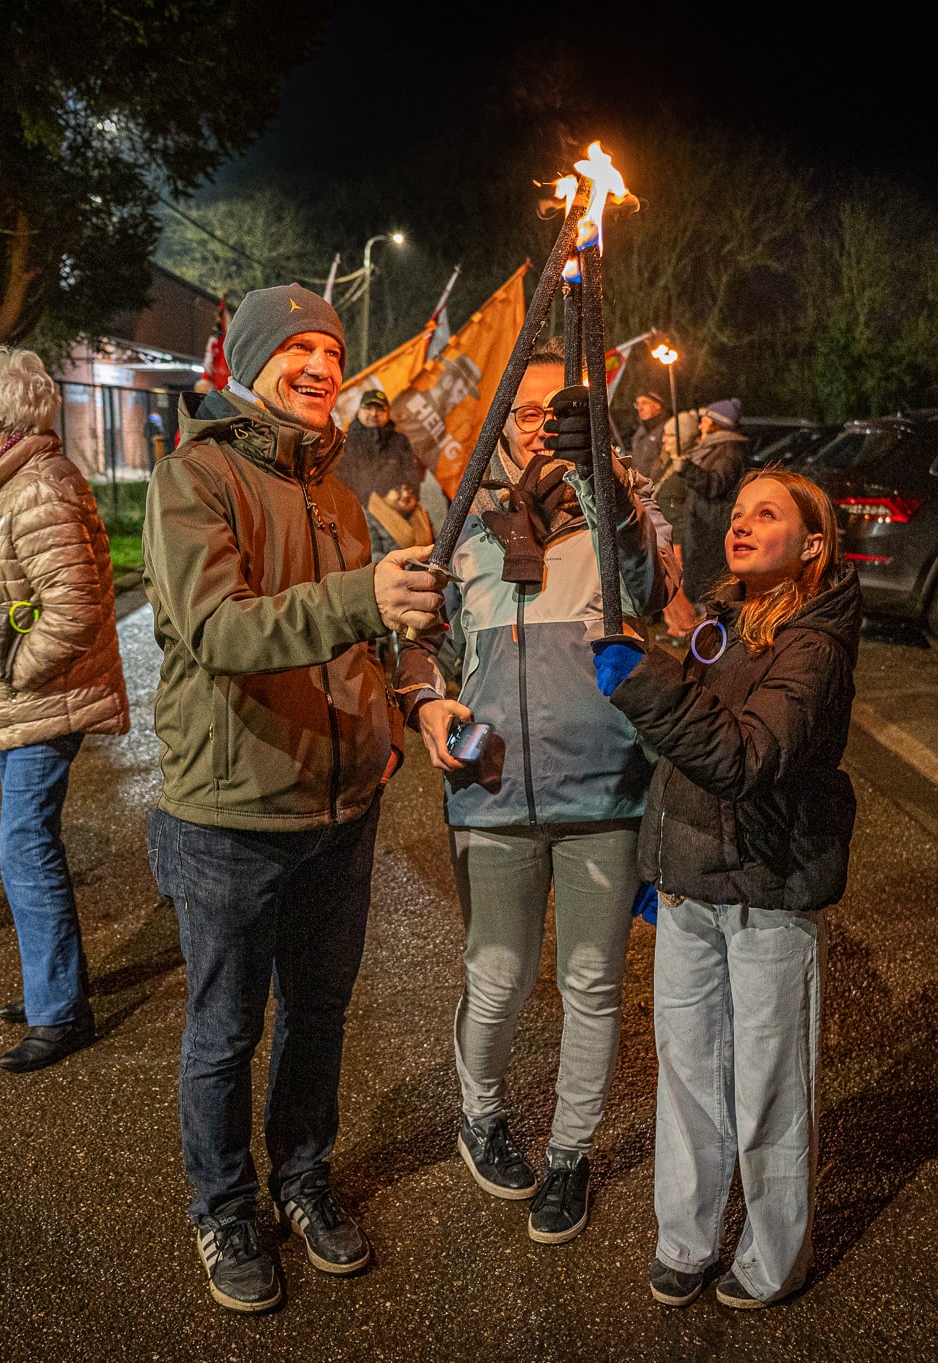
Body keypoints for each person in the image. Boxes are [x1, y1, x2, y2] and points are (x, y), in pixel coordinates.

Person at [142, 283, 443, 1313]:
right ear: (251, 362)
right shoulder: (194, 477)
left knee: (318, 1011)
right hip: (232, 812)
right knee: (225, 1029)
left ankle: (303, 1174)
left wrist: (392, 717)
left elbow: (360, 635)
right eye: (297, 349)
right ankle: (221, 1205)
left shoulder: (338, 490)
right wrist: (365, 596)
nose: (320, 364)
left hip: (342, 805)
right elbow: (216, 628)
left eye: (331, 348)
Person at [398, 345, 672, 1247]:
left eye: (558, 407)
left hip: (603, 791)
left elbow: (651, 581)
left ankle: (569, 1155)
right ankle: (481, 1116)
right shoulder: (463, 517)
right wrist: (428, 697)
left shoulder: (621, 509)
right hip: (491, 792)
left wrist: (606, 477)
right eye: (522, 402)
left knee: (592, 984)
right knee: (499, 977)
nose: (535, 417)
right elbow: (418, 637)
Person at [599, 468, 858, 1310]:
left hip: (767, 895)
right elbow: (680, 757)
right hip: (690, 887)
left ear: (812, 544)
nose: (741, 525)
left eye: (767, 514)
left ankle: (773, 1256)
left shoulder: (812, 646)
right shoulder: (728, 622)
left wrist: (646, 681)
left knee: (769, 1083)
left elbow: (746, 756)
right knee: (687, 1073)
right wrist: (660, 857)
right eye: (739, 511)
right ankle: (686, 1238)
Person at [0, 348, 130, 1073]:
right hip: (31, 698)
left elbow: (74, 608)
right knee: (26, 844)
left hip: (43, 699)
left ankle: (60, 1009)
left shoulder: (36, 486)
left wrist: (18, 676)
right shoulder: (13, 481)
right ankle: (49, 987)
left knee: (25, 847)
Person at [680, 399, 750, 598]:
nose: (700, 425)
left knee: (709, 589)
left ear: (716, 423)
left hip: (711, 528)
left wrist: (687, 469)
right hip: (705, 525)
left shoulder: (728, 451)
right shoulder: (717, 448)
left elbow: (715, 485)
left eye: (704, 421)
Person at [337, 388, 419, 508]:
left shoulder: (400, 441)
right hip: (357, 512)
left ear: (388, 413)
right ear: (359, 411)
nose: (374, 413)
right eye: (368, 408)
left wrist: (405, 500)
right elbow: (339, 484)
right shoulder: (346, 442)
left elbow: (411, 479)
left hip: (394, 513)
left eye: (380, 409)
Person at [364, 477, 433, 563]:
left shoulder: (420, 512)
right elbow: (373, 555)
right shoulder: (369, 516)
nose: (405, 494)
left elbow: (436, 543)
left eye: (408, 489)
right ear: (384, 493)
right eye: (397, 489)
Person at [628, 389, 667, 483]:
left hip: (652, 488)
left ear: (657, 405)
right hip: (638, 488)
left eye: (644, 403)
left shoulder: (667, 429)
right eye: (637, 404)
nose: (639, 408)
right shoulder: (641, 430)